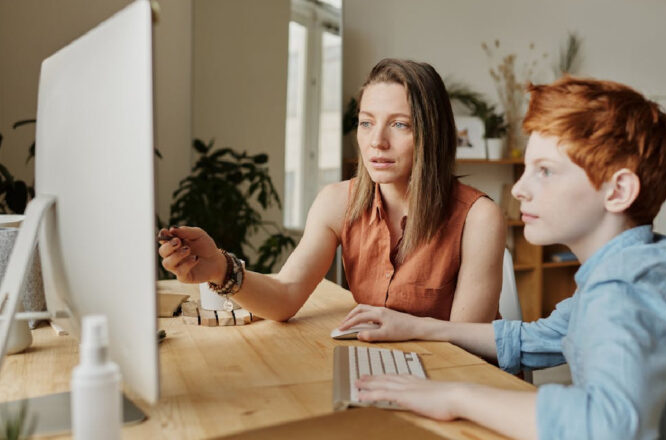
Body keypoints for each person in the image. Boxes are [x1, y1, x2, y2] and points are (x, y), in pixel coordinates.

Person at [339, 77, 666, 440]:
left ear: (617, 192)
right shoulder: (635, 266)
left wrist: (456, 396)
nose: (520, 190)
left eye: (545, 171)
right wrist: (416, 326)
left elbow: (606, 425)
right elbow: (532, 338)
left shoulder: (626, 291)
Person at [158, 58, 506, 323]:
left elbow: (466, 347)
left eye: (400, 125)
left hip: (457, 383)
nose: (376, 142)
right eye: (366, 122)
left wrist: (395, 331)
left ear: (433, 134)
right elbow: (285, 295)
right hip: (386, 371)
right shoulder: (337, 202)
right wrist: (220, 267)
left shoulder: (479, 218)